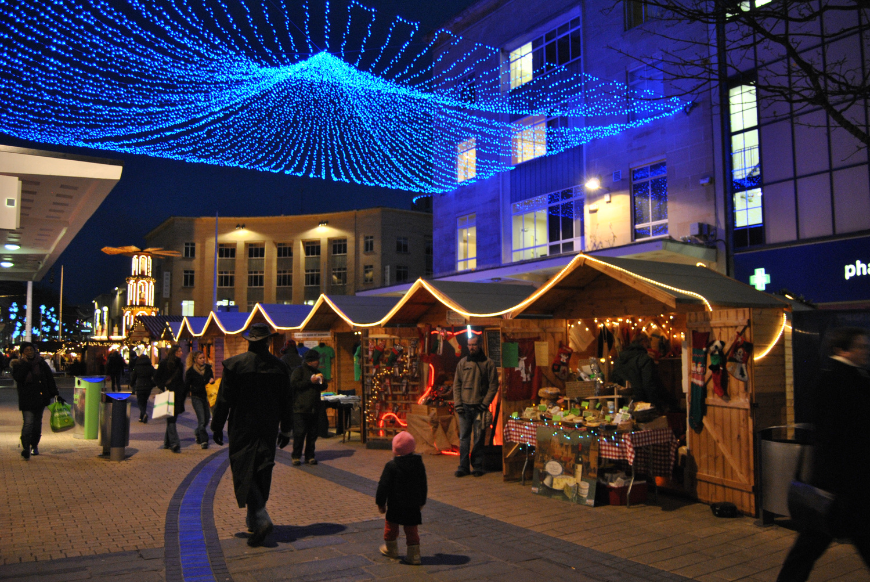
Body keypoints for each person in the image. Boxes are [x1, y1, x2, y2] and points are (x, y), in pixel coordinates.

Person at [776, 327, 870, 581]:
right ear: (842, 349)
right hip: (845, 484)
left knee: (810, 544)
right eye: (860, 346)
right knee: (813, 543)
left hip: (834, 484)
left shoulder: (833, 379)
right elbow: (839, 437)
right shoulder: (847, 381)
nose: (865, 351)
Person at [210, 323, 293, 547]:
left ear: (249, 341)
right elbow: (287, 401)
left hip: (241, 426)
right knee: (262, 469)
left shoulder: (235, 365)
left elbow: (224, 399)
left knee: (243, 468)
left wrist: (216, 425)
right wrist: (286, 428)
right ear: (267, 341)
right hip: (268, 426)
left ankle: (260, 517)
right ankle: (254, 520)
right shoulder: (279, 367)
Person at [376, 431, 427, 566]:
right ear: (413, 448)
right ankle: (414, 554)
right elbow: (423, 484)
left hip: (395, 504)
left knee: (391, 527)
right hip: (413, 505)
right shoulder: (418, 464)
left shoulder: (391, 466)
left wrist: (381, 503)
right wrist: (422, 501)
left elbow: (383, 486)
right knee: (411, 530)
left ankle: (391, 549)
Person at [453, 334, 498, 478]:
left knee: (479, 438)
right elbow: (456, 385)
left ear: (480, 345)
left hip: (480, 407)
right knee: (464, 438)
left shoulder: (488, 363)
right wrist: (458, 404)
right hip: (464, 407)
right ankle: (463, 467)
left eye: (474, 344)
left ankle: (478, 466)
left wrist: (485, 404)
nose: (471, 347)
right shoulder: (462, 363)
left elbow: (493, 385)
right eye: (469, 345)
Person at [12, 342, 61, 460]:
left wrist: (55, 394)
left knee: (37, 423)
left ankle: (34, 445)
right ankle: (26, 447)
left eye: (31, 349)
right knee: (28, 423)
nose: (30, 352)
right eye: (27, 350)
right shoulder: (18, 364)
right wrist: (27, 365)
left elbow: (49, 379)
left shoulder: (41, 363)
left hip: (40, 397)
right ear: (22, 352)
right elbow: (18, 378)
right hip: (26, 398)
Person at [610, 332, 671, 412]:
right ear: (643, 342)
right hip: (642, 404)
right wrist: (655, 405)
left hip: (623, 403)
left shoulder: (619, 360)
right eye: (647, 343)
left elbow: (615, 380)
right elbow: (649, 384)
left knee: (626, 422)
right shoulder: (645, 360)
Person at [289, 349, 326, 465]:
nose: (318, 362)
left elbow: (322, 387)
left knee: (312, 434)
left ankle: (310, 456)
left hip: (314, 408)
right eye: (316, 360)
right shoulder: (298, 371)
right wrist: (310, 381)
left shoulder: (317, 371)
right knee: (299, 434)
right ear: (310, 361)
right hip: (300, 408)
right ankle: (296, 456)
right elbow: (294, 385)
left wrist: (322, 383)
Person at [155, 344, 187, 453]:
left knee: (171, 418)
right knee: (171, 419)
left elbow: (181, 381)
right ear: (174, 352)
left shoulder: (180, 364)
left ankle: (167, 442)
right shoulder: (164, 364)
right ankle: (174, 443)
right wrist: (163, 387)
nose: (181, 353)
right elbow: (157, 378)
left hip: (178, 395)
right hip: (168, 394)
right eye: (179, 351)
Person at [185, 350, 215, 449]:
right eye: (200, 358)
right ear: (195, 359)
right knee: (202, 419)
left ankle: (197, 432)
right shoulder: (190, 371)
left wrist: (212, 381)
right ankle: (204, 440)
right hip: (196, 397)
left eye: (203, 358)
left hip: (206, 397)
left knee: (206, 419)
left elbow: (211, 381)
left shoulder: (208, 369)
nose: (203, 360)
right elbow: (187, 385)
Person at [130, 353, 157, 423]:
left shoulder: (137, 367)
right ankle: (141, 417)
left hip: (139, 386)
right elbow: (156, 376)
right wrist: (153, 384)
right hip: (148, 386)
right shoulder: (150, 367)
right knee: (144, 401)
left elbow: (133, 377)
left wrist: (131, 384)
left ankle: (144, 413)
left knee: (139, 402)